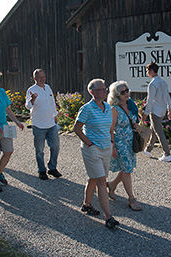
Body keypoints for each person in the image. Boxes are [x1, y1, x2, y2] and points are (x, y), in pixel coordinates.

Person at [73, 78, 119, 229]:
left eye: (105, 89)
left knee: (94, 177)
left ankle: (86, 204)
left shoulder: (108, 108)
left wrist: (112, 145)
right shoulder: (86, 108)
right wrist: (89, 143)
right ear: (92, 92)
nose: (105, 91)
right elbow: (77, 129)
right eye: (101, 89)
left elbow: (110, 129)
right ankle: (109, 217)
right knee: (101, 181)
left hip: (106, 148)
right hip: (92, 149)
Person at [106, 80, 142, 211]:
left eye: (127, 90)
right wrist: (113, 147)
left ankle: (112, 185)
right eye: (123, 92)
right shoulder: (114, 109)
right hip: (120, 142)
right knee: (127, 170)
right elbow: (111, 129)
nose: (126, 94)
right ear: (116, 95)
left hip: (130, 141)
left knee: (127, 168)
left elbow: (135, 120)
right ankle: (131, 199)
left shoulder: (131, 104)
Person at [25, 68, 61, 180]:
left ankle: (52, 168)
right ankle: (42, 170)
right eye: (40, 77)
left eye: (44, 77)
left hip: (50, 123)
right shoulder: (31, 90)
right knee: (39, 149)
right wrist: (32, 100)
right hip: (38, 124)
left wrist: (55, 116)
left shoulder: (48, 87)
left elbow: (52, 102)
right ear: (35, 78)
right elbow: (28, 106)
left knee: (55, 146)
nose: (42, 79)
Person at [142, 62, 171, 161]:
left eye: (147, 71)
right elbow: (167, 97)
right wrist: (170, 110)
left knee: (158, 132)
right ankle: (148, 150)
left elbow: (150, 100)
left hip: (155, 111)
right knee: (153, 130)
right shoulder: (163, 82)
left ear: (151, 71)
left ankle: (167, 154)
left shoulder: (152, 84)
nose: (147, 73)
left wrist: (145, 114)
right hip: (162, 111)